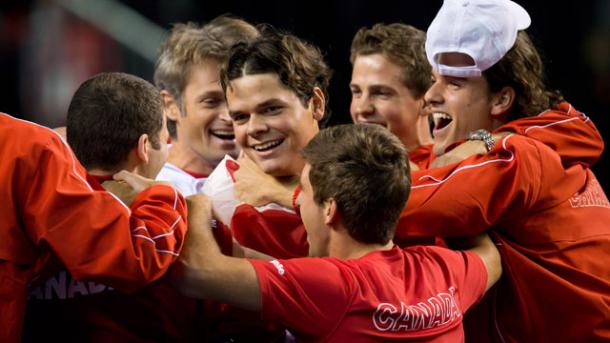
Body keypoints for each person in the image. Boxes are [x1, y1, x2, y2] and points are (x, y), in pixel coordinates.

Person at [169, 123, 502, 342]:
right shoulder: (446, 272)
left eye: (303, 193)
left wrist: (195, 203)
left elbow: (196, 273)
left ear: (329, 209)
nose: (299, 206)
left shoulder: (333, 286)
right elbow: (491, 255)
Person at [399, 0, 610, 341]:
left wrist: (299, 191)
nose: (430, 96)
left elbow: (397, 205)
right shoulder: (531, 143)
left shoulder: (519, 157)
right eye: (434, 80)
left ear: (501, 100)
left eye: (454, 84)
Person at [22, 72, 200, 342]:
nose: (169, 145)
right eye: (165, 138)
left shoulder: (30, 208)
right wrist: (165, 196)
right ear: (143, 147)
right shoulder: (181, 214)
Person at [213, 25, 332, 259]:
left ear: (316, 104)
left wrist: (286, 193)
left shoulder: (364, 166)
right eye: (240, 117)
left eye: (271, 109)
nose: (255, 128)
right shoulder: (221, 202)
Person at [154, 16, 258, 196]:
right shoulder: (138, 191)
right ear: (171, 106)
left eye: (241, 100)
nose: (229, 116)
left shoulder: (289, 187)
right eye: (211, 101)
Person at [349, 23, 434, 168]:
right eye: (356, 92)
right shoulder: (339, 171)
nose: (361, 109)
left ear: (426, 101)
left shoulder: (452, 171)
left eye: (381, 93)